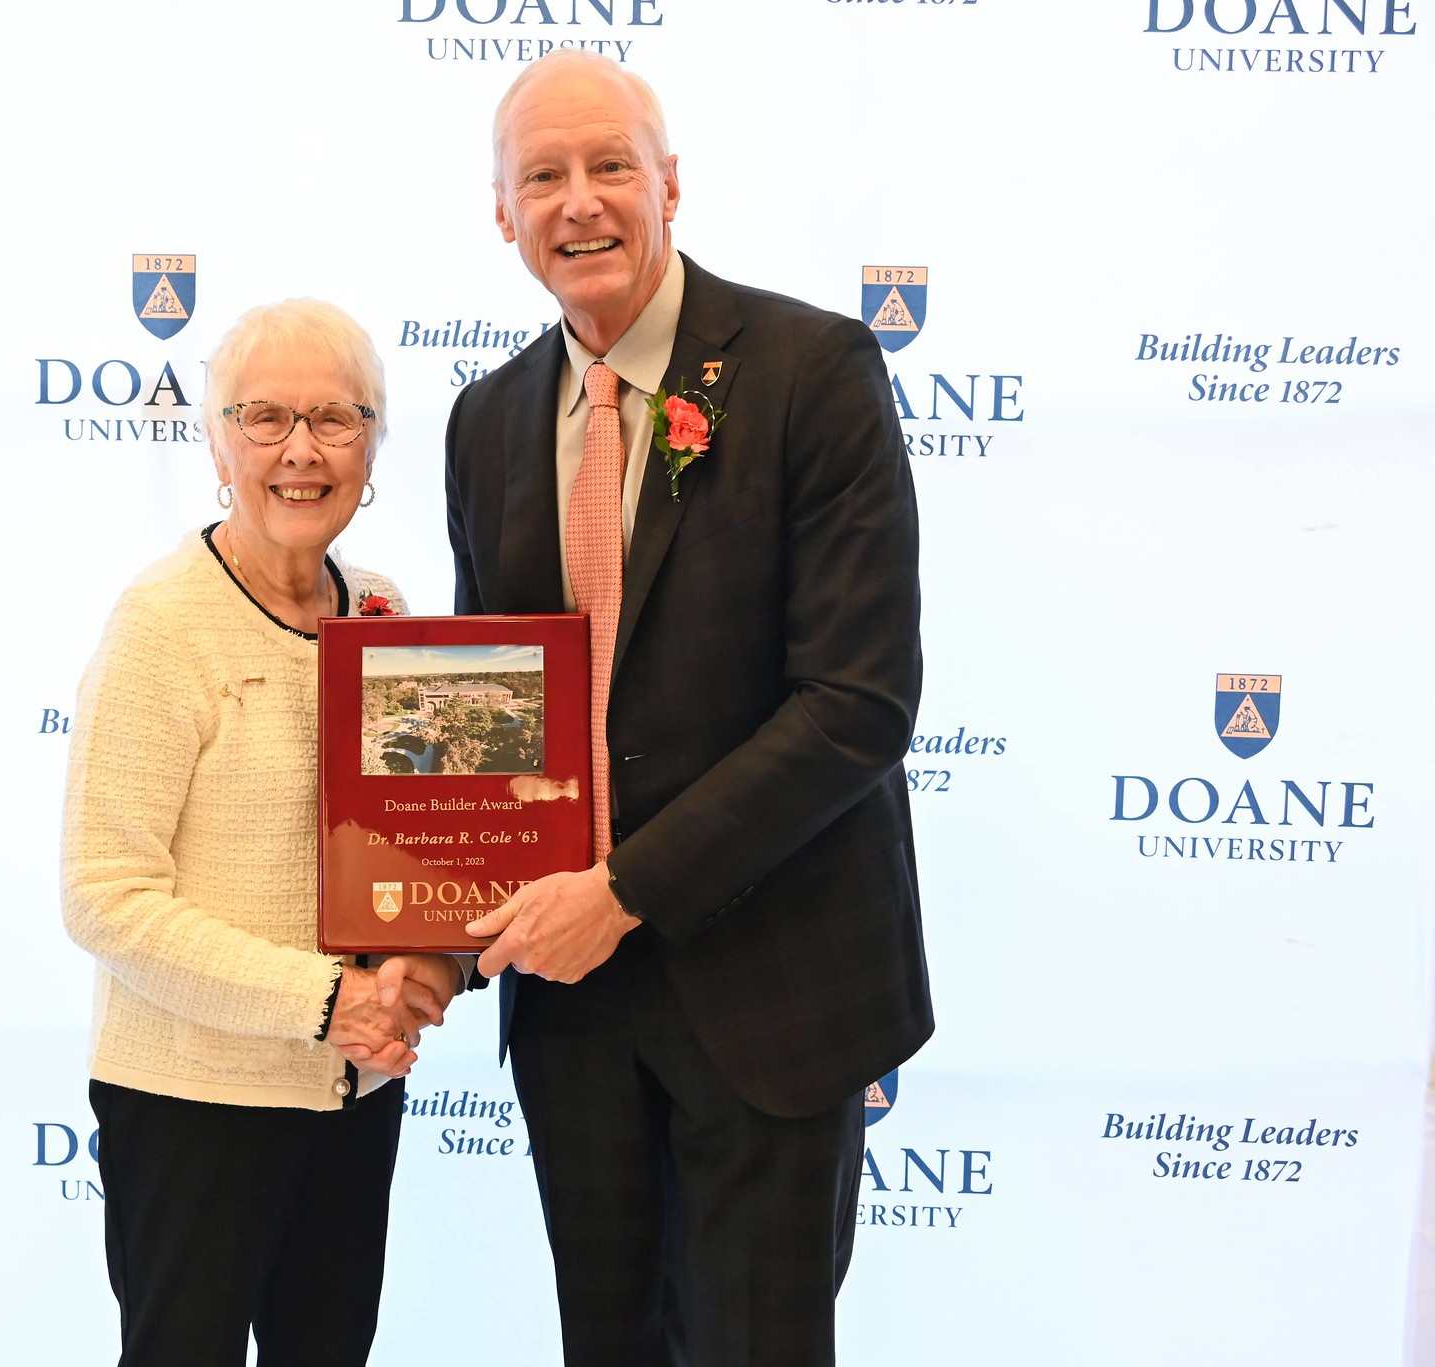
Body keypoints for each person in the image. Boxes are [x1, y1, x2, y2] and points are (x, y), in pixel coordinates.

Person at [446, 52, 933, 1366]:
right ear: (500, 213)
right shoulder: (482, 422)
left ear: (669, 184)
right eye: (539, 175)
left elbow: (855, 699)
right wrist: (417, 934)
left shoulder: (807, 370)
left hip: (771, 988)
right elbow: (490, 734)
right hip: (570, 1010)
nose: (578, 201)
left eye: (608, 165)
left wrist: (620, 887)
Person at [62, 298, 462, 1367]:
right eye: (265, 416)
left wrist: (430, 955)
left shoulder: (384, 608)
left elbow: (424, 847)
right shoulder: (161, 624)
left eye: (336, 417)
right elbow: (106, 895)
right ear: (216, 439)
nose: (301, 449)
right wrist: (326, 997)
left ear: (374, 442)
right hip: (194, 1099)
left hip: (353, 1089)